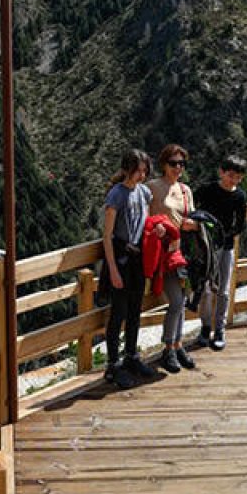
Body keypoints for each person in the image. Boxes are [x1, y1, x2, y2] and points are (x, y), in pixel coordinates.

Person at [100, 149, 158, 389]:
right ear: (126, 170)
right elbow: (107, 236)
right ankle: (113, 366)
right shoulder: (117, 195)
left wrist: (158, 230)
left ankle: (131, 356)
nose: (141, 176)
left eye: (144, 171)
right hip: (121, 258)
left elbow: (145, 224)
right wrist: (112, 269)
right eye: (137, 171)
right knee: (118, 313)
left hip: (137, 258)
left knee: (135, 309)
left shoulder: (144, 193)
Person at [145, 144, 198, 373]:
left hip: (182, 252)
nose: (178, 168)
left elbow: (190, 217)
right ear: (163, 164)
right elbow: (144, 219)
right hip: (162, 253)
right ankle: (169, 348)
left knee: (183, 300)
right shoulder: (153, 187)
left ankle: (177, 345)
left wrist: (193, 224)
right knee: (176, 301)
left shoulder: (186, 190)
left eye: (181, 164)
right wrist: (154, 229)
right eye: (173, 163)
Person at [193, 155, 247, 351]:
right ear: (221, 172)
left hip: (226, 247)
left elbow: (240, 224)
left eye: (238, 177)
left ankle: (220, 329)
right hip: (206, 247)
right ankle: (205, 327)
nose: (234, 180)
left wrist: (225, 235)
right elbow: (192, 206)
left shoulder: (240, 197)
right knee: (206, 288)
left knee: (223, 290)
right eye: (231, 175)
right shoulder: (208, 190)